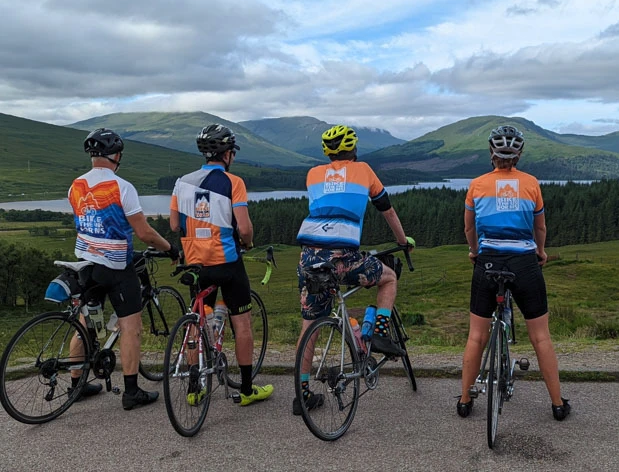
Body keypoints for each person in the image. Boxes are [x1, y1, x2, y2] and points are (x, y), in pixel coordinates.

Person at [293, 124, 414, 415]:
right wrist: (402, 241)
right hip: (343, 257)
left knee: (310, 324)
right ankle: (381, 333)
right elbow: (387, 209)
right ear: (354, 149)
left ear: (327, 152)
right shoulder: (363, 170)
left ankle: (302, 393)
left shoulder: (313, 174)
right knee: (388, 277)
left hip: (309, 258)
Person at [458, 125, 570, 421]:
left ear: (491, 154)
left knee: (477, 336)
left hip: (489, 260)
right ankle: (558, 403)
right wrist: (541, 251)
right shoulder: (531, 183)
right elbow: (540, 227)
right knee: (540, 337)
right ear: (518, 155)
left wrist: (474, 251)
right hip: (524, 262)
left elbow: (470, 228)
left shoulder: (477, 184)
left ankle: (465, 399)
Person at [69, 128, 180, 410]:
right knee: (131, 326)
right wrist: (170, 248)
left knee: (85, 323)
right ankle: (131, 392)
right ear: (116, 155)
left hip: (85, 262)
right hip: (116, 265)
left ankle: (76, 384)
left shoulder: (76, 185)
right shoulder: (122, 187)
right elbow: (144, 233)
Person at [170, 123, 274, 406]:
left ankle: (195, 388)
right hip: (226, 263)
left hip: (195, 265)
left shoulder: (182, 182)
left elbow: (173, 224)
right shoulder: (233, 182)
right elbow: (245, 228)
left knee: (197, 322)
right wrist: (248, 243)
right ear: (227, 154)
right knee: (243, 324)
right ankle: (247, 390)